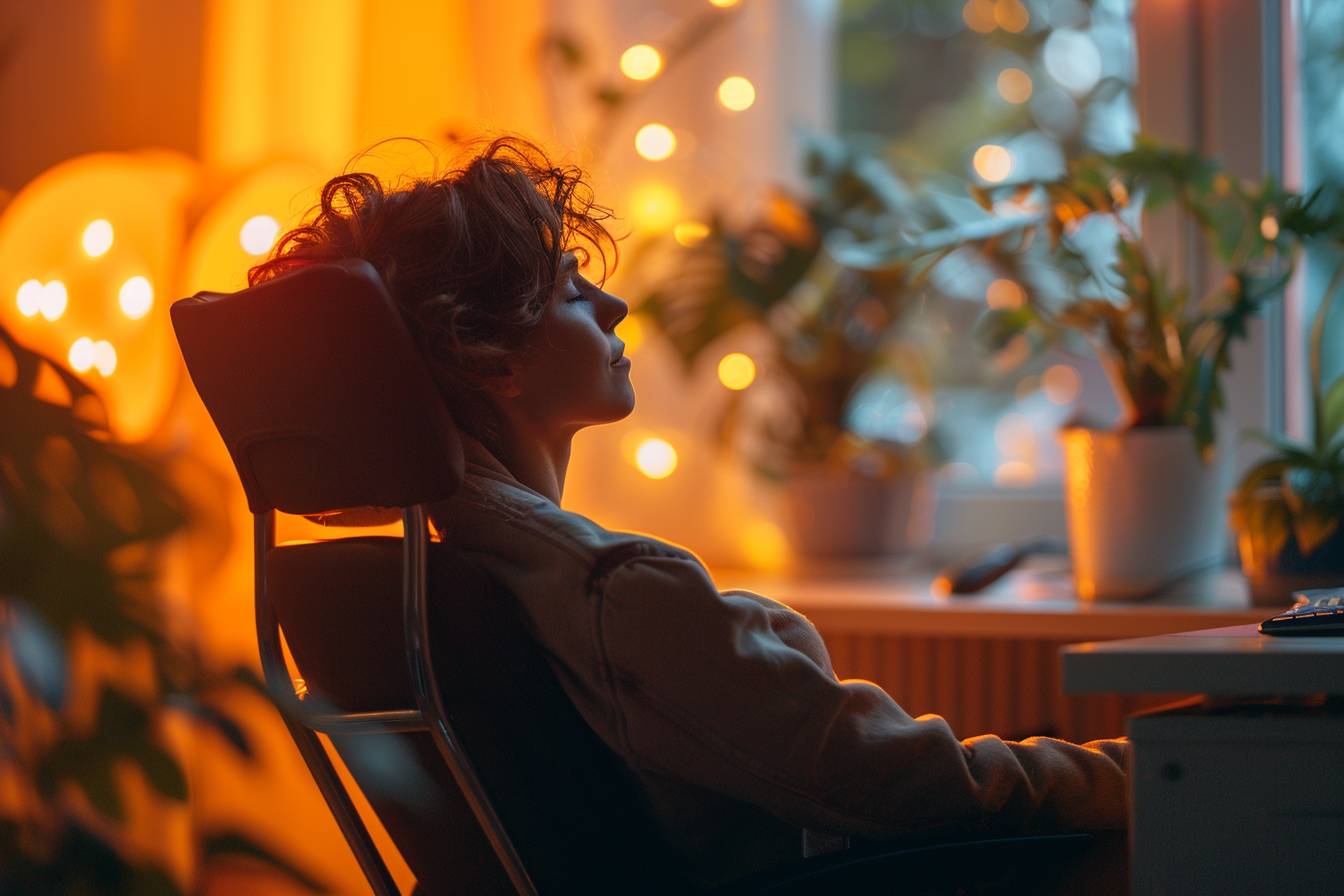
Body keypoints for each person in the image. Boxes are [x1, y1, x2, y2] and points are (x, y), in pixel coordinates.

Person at [250, 134, 1128, 889]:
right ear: (489, 359)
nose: (614, 306)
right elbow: (895, 786)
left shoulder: (443, 583)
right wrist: (1141, 773)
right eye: (568, 293)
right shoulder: (615, 590)